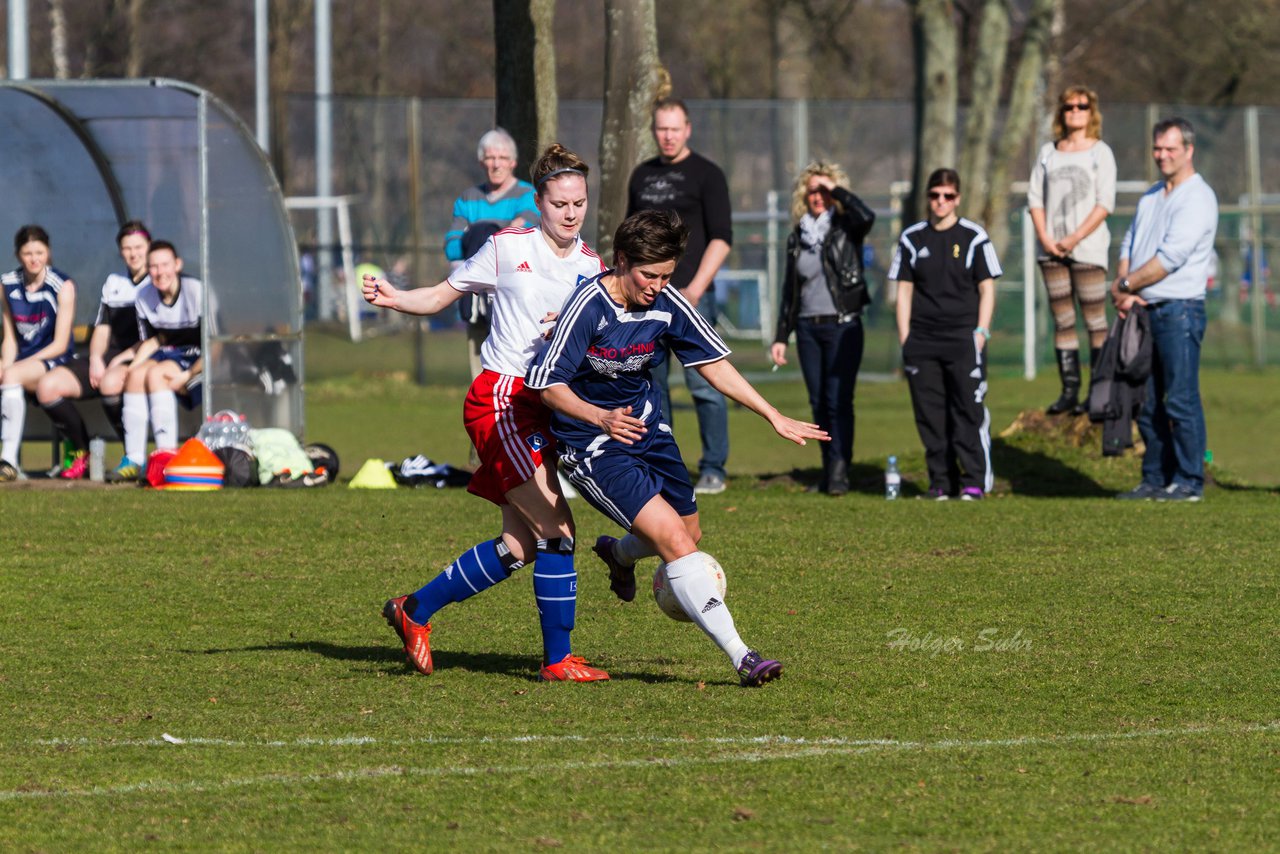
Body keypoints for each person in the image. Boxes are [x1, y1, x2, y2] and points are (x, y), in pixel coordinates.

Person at [527, 209, 828, 687]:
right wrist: (599, 416)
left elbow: (713, 363)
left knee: (690, 531)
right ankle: (743, 656)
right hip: (593, 442)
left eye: (667, 275)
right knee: (675, 541)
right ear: (620, 261)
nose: (657, 285)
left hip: (649, 431)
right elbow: (547, 385)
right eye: (649, 274)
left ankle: (620, 556)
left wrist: (772, 414)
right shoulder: (588, 306)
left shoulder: (667, 302)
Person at [363, 143, 610, 682]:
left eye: (580, 203)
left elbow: (599, 341)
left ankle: (415, 609)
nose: (570, 213)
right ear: (537, 202)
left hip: (545, 404)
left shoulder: (593, 267)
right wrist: (393, 297)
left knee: (521, 545)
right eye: (560, 203)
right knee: (558, 530)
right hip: (501, 399)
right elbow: (441, 294)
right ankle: (556, 660)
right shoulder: (506, 246)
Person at [627, 97, 733, 495]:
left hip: (691, 296)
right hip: (644, 298)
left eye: (674, 128)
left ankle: (713, 468)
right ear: (653, 131)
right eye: (661, 129)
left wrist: (694, 290)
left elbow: (722, 239)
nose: (667, 136)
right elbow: (629, 237)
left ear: (687, 129)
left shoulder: (707, 174)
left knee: (704, 383)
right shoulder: (640, 175)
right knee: (650, 384)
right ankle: (660, 465)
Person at [1112, 117, 1218, 503]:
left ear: (1189, 150)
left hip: (1180, 310)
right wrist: (1126, 289)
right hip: (1143, 310)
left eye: (1171, 148)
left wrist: (1126, 285)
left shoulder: (1198, 197)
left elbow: (1170, 259)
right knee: (1149, 401)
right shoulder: (1152, 195)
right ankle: (1154, 479)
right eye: (1158, 148)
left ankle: (1190, 480)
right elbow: (1130, 241)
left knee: (1181, 398)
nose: (1163, 155)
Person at [889, 168, 1001, 500]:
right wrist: (906, 338)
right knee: (930, 415)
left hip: (963, 338)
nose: (941, 202)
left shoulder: (974, 237)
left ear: (958, 199)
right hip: (922, 340)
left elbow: (987, 288)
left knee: (967, 411)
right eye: (935, 195)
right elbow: (904, 292)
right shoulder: (912, 238)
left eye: (948, 196)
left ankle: (973, 481)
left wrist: (981, 332)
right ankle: (940, 482)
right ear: (927, 197)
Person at [770, 162, 876, 496]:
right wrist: (780, 336)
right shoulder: (798, 236)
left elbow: (867, 215)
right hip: (807, 329)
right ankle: (829, 469)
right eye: (813, 190)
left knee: (838, 400)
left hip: (843, 326)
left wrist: (837, 192)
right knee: (818, 402)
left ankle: (841, 471)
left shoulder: (848, 226)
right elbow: (790, 290)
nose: (818, 197)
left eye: (825, 191)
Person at [35, 221, 151, 479]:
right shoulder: (114, 282)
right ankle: (81, 453)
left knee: (110, 382)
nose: (133, 253)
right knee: (48, 386)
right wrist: (97, 358)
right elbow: (102, 329)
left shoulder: (156, 282)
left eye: (138, 247)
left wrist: (118, 360)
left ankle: (134, 457)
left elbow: (153, 338)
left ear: (149, 248)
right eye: (127, 248)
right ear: (120, 251)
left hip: (140, 357)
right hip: (109, 357)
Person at [1027, 85, 1117, 415]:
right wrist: (1046, 237)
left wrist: (1075, 237)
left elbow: (1104, 202)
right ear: (1061, 113)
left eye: (1081, 106)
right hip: (1051, 249)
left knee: (1095, 321)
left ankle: (1099, 391)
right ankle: (1069, 390)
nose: (1075, 112)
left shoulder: (1100, 153)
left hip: (1088, 249)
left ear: (1091, 112)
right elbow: (1035, 198)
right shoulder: (1049, 152)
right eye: (1069, 107)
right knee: (1063, 320)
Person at [445, 128, 540, 382]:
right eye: (490, 157)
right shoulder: (468, 199)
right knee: (480, 364)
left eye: (502, 157)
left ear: (513, 162)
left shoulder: (528, 195)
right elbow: (453, 243)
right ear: (481, 161)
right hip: (476, 292)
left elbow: (522, 232)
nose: (496, 163)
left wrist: (478, 237)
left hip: (515, 293)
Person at [113, 240, 204, 480]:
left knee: (155, 374)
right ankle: (134, 460)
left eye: (165, 265)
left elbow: (215, 346)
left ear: (177, 265)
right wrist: (130, 367)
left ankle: (166, 458)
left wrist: (188, 374)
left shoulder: (196, 291)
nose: (159, 272)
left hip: (198, 358)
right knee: (134, 375)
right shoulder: (144, 296)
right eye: (153, 266)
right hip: (169, 353)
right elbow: (153, 341)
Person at [0, 225, 77, 482]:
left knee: (10, 376)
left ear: (48, 252)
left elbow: (61, 343)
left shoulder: (62, 285)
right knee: (6, 373)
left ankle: (7, 461)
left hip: (54, 359)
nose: (34, 259)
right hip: (21, 363)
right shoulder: (7, 284)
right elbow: (10, 337)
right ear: (18, 254)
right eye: (27, 253)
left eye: (39, 252)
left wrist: (13, 368)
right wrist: (4, 363)